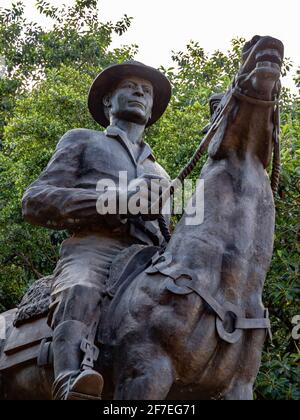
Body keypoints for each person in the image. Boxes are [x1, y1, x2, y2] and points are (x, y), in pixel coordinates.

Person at [22, 61, 172, 400]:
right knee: (80, 288)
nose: (139, 92)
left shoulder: (162, 172)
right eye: (130, 87)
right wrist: (117, 200)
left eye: (146, 91)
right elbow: (36, 200)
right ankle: (70, 382)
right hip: (95, 247)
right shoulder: (82, 141)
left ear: (151, 109)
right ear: (108, 102)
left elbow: (175, 230)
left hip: (151, 260)